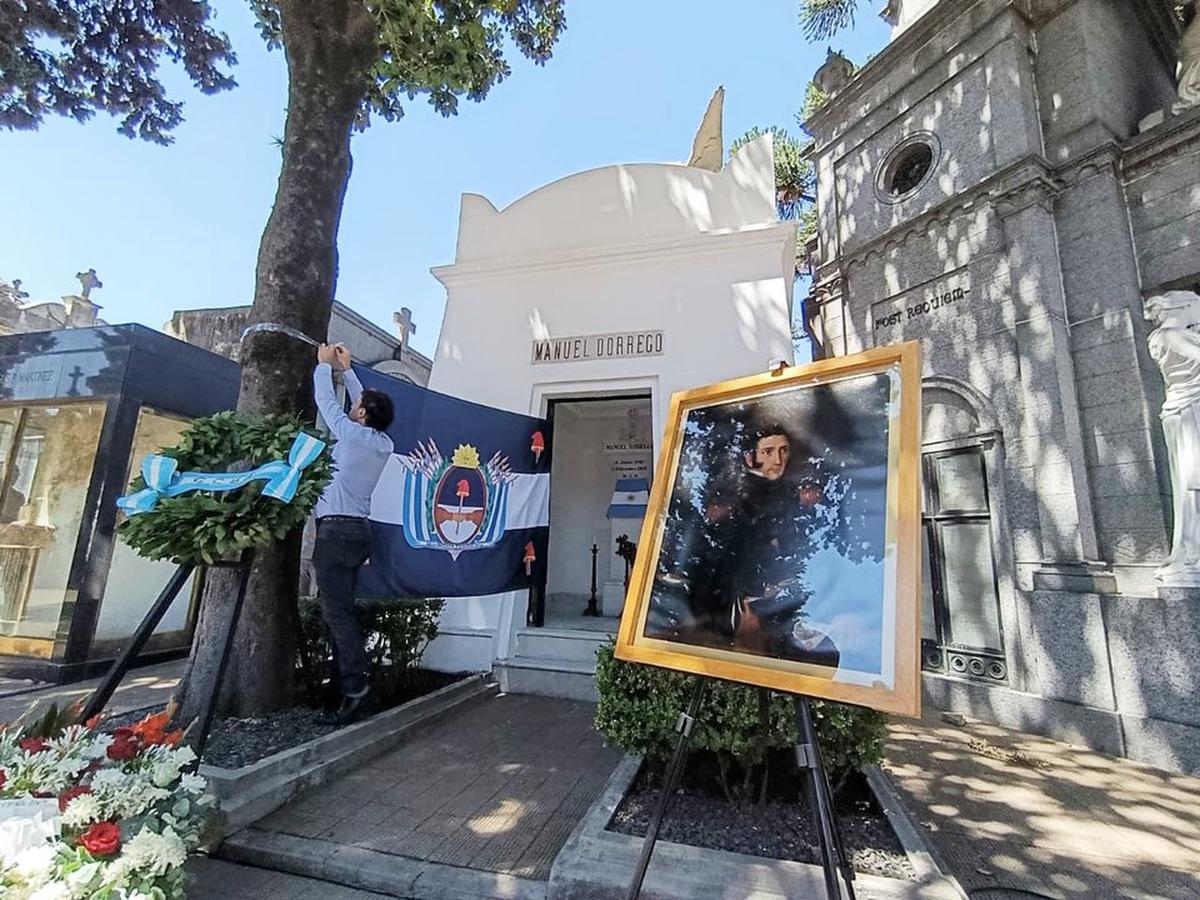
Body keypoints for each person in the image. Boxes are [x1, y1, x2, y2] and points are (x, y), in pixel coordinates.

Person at [698, 424, 840, 670]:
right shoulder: (739, 496)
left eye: (784, 451)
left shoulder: (796, 497)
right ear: (750, 457)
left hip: (785, 598)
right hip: (744, 599)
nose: (777, 460)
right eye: (769, 452)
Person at [312, 343, 395, 725]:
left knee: (338, 614)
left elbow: (327, 404)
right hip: (357, 532)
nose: (353, 406)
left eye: (358, 404)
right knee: (341, 612)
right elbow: (362, 406)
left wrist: (324, 366)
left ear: (362, 414)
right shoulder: (381, 443)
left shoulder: (351, 434)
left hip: (335, 533)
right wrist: (348, 369)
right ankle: (342, 683)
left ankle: (354, 689)